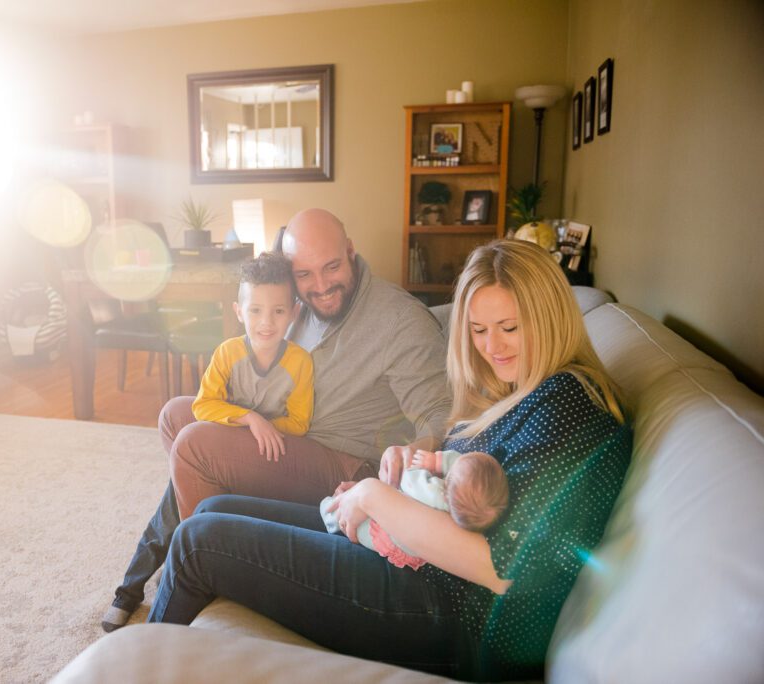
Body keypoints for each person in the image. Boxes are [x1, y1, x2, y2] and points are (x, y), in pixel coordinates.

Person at [147, 239, 633, 681]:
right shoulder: (525, 389)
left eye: (509, 328)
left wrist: (374, 496)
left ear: (549, 317)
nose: (491, 347)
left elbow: (503, 570)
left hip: (447, 612)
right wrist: (414, 462)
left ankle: (134, 667)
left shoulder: (567, 404)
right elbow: (469, 486)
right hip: (406, 555)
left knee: (197, 541)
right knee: (215, 511)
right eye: (479, 330)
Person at [102, 208, 450, 631]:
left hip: (346, 466)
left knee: (195, 446)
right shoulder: (300, 306)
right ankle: (184, 552)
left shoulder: (399, 321)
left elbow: (441, 414)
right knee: (177, 414)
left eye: (333, 267)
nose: (320, 286)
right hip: (290, 440)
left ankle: (200, 573)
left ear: (352, 252)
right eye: (304, 274)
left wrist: (413, 452)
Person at [190, 251, 313, 466]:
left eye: (279, 311)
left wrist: (264, 427)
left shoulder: (301, 362)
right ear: (239, 312)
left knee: (191, 440)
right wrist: (250, 419)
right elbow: (203, 405)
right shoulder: (227, 353)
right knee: (175, 421)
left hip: (272, 446)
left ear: (294, 312)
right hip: (233, 431)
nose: (266, 322)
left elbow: (299, 423)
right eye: (255, 310)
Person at [319, 449, 508, 570]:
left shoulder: (435, 493)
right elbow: (467, 469)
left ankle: (329, 515)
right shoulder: (468, 505)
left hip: (383, 530)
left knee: (338, 514)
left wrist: (430, 463)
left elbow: (409, 480)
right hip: (405, 536)